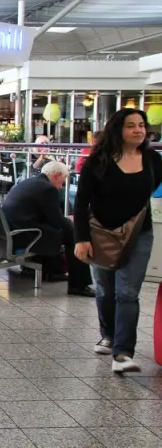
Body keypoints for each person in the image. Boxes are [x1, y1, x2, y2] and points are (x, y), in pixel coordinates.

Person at [74, 108, 162, 373]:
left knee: (127, 292)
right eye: (131, 126)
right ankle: (108, 334)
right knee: (105, 288)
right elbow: (81, 202)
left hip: (138, 234)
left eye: (141, 125)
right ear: (118, 130)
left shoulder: (153, 160)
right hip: (100, 233)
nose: (138, 130)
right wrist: (82, 238)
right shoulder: (99, 160)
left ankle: (122, 353)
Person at [1, 161, 94, 297]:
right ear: (56, 175)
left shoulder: (30, 182)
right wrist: (75, 227)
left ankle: (52, 271)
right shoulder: (47, 189)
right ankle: (79, 285)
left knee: (61, 230)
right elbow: (56, 220)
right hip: (25, 235)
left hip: (11, 231)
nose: (62, 186)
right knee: (73, 235)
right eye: (63, 180)